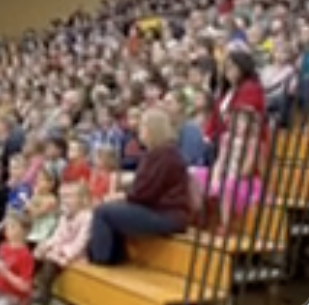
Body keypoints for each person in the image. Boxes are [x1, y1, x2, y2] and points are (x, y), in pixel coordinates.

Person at [88, 108, 191, 265]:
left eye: (143, 126)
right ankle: (112, 255)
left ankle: (100, 258)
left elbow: (144, 193)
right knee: (112, 208)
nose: (138, 131)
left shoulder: (164, 155)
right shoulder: (162, 153)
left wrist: (122, 196)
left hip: (166, 214)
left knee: (102, 212)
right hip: (161, 210)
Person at [190, 109, 263, 234]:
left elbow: (248, 167)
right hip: (225, 173)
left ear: (250, 124)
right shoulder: (227, 138)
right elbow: (221, 160)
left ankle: (226, 224)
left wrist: (232, 176)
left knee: (226, 187)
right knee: (193, 173)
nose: (237, 123)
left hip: (242, 179)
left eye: (242, 121)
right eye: (236, 120)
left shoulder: (253, 142)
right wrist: (215, 176)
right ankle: (198, 216)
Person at [32, 184, 92, 305]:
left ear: (81, 198)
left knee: (50, 262)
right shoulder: (65, 215)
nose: (65, 200)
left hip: (78, 254)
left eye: (70, 196)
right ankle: (29, 285)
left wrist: (60, 251)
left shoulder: (88, 217)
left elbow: (80, 243)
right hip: (61, 250)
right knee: (39, 252)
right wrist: (46, 245)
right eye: (63, 197)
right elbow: (57, 236)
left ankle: (44, 296)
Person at [25, 168, 58, 245]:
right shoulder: (38, 196)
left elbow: (37, 214)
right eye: (37, 179)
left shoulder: (51, 199)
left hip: (45, 231)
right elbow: (27, 210)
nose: (37, 182)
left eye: (41, 180)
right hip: (35, 228)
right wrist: (34, 197)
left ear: (51, 184)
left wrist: (29, 203)